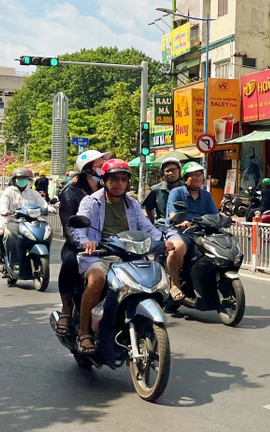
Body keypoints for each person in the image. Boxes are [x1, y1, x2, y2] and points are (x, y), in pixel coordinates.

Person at [71, 159, 179, 355]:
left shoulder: (132, 203)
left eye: (123, 179)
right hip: (100, 255)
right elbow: (79, 228)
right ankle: (84, 332)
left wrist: (163, 241)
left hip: (129, 255)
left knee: (148, 281)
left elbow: (146, 227)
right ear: (104, 181)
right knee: (96, 280)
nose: (119, 183)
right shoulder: (91, 201)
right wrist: (86, 241)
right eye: (113, 179)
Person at [55, 149, 108, 337]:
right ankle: (67, 308)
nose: (104, 169)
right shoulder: (71, 192)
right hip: (78, 245)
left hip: (107, 246)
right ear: (88, 169)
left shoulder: (108, 190)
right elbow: (69, 224)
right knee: (69, 264)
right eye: (100, 165)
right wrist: (82, 243)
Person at [165, 162, 219, 299]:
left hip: (202, 232)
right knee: (176, 250)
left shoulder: (206, 195)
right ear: (185, 179)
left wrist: (229, 219)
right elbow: (172, 214)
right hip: (180, 232)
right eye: (193, 175)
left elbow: (215, 215)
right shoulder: (176, 192)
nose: (197, 178)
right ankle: (175, 285)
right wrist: (180, 221)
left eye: (199, 175)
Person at [0, 168, 50, 268]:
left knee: (46, 230)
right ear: (15, 180)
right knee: (9, 235)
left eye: (24, 178)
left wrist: (49, 208)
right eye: (19, 178)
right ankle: (13, 261)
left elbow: (42, 203)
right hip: (13, 220)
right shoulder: (9, 192)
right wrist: (5, 210)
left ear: (28, 180)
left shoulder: (33, 193)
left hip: (30, 221)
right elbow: (2, 203)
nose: (22, 180)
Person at [142, 156, 183, 223]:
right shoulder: (156, 189)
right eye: (167, 171)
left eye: (173, 170)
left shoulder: (186, 188)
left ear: (179, 171)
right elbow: (148, 207)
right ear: (163, 173)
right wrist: (152, 223)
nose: (170, 173)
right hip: (163, 225)